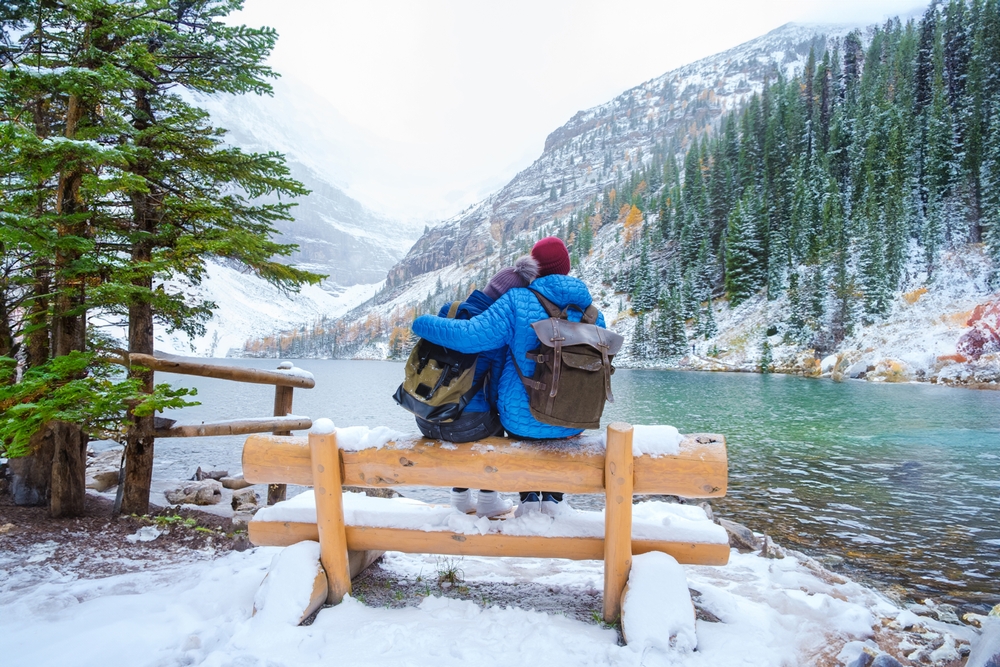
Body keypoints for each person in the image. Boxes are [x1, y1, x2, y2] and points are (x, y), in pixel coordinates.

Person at [410, 236, 606, 517]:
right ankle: (553, 500)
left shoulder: (517, 301)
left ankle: (527, 501)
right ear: (567, 267)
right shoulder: (594, 314)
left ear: (534, 268)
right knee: (555, 419)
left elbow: (469, 336)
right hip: (574, 420)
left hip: (522, 421)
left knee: (516, 412)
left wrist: (421, 322)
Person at [414, 256, 539, 518]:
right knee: (494, 420)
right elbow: (494, 390)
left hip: (424, 416)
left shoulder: (450, 309)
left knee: (461, 405)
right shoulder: (497, 328)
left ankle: (459, 497)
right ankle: (488, 498)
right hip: (465, 427)